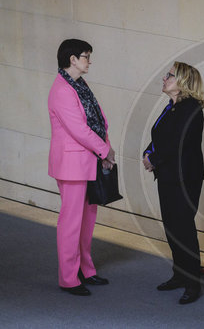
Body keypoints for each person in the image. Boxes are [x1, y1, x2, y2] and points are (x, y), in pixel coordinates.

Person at [48, 39, 115, 296]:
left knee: (87, 221)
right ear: (72, 59)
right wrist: (105, 150)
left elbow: (99, 119)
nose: (89, 60)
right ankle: (68, 277)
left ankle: (85, 269)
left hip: (89, 161)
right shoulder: (61, 90)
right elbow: (79, 129)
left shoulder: (79, 85)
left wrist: (105, 149)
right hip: (72, 165)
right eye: (86, 56)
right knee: (71, 222)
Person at [143, 61, 204, 304]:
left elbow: (178, 143)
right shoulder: (171, 107)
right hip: (168, 177)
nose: (164, 78)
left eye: (169, 75)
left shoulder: (192, 109)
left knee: (184, 230)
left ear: (182, 82)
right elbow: (159, 135)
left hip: (184, 179)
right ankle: (179, 275)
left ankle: (192, 283)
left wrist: (154, 159)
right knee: (171, 228)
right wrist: (149, 153)